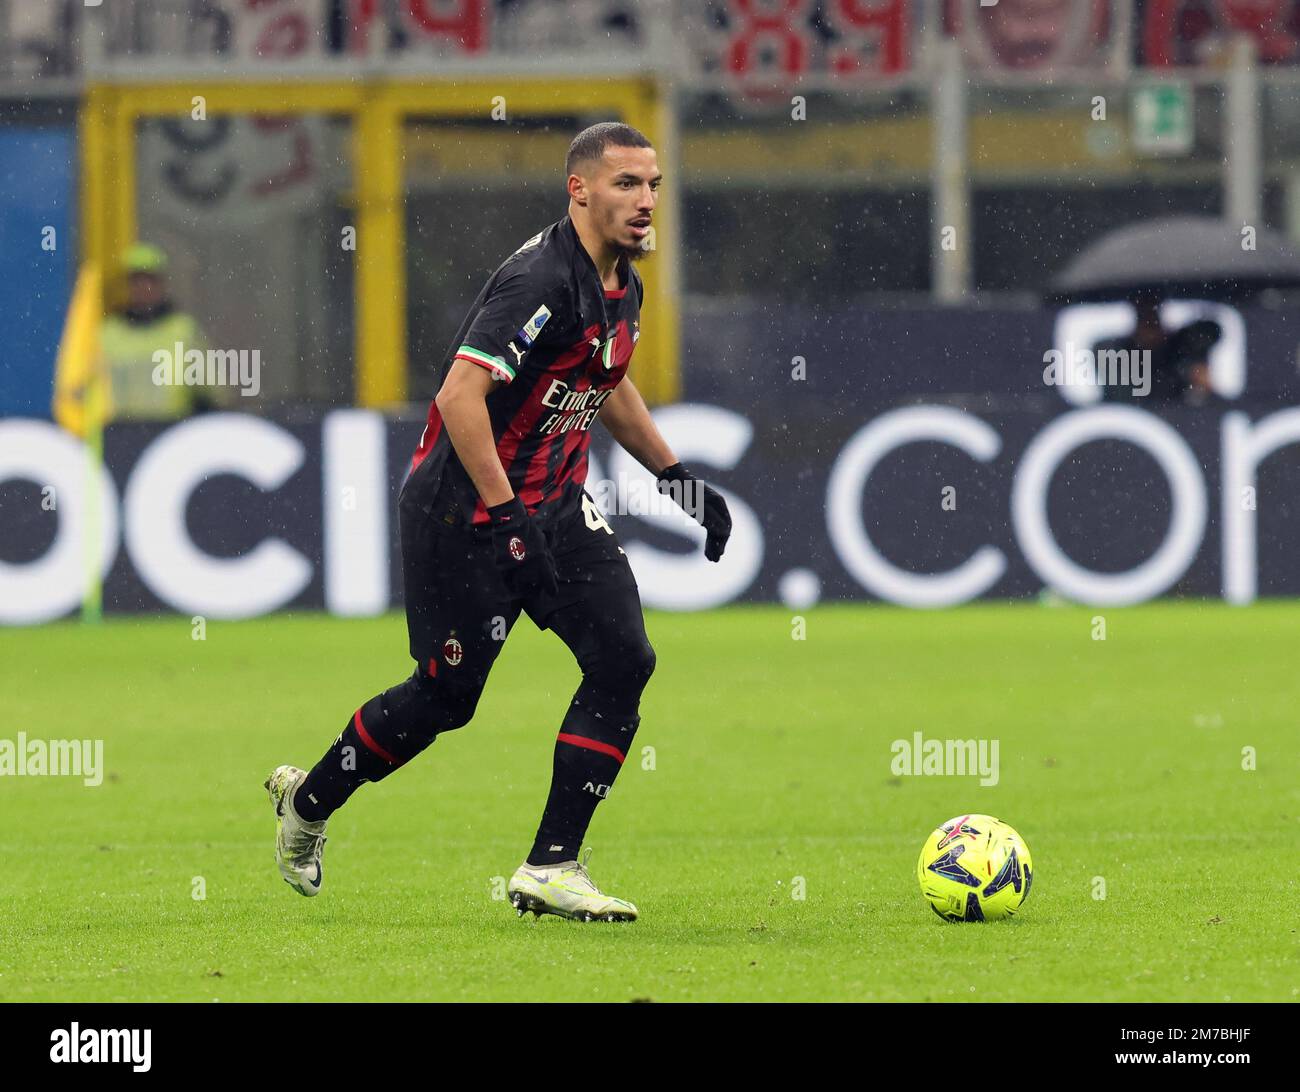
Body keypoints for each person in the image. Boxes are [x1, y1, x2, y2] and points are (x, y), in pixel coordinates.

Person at [265, 122, 732, 922]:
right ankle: (309, 801)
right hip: (463, 513)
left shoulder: (624, 283)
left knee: (624, 658)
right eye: (626, 184)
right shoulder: (540, 282)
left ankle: (553, 865)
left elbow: (606, 380)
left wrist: (674, 477)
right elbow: (457, 397)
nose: (646, 201)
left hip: (552, 504)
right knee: (447, 699)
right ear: (579, 189)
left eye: (654, 184)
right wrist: (507, 518)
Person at [100, 243, 214, 421]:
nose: (143, 288)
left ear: (162, 284)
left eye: (150, 280)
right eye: (136, 281)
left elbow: (209, 392)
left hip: (173, 433)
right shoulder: (108, 333)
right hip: (119, 433)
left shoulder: (183, 330)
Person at [1097, 290, 1222, 404]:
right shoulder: (1120, 356)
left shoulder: (1179, 349)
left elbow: (1209, 332)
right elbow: (1121, 401)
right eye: (1145, 319)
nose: (1150, 328)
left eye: (1153, 319)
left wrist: (1195, 369)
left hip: (1182, 416)